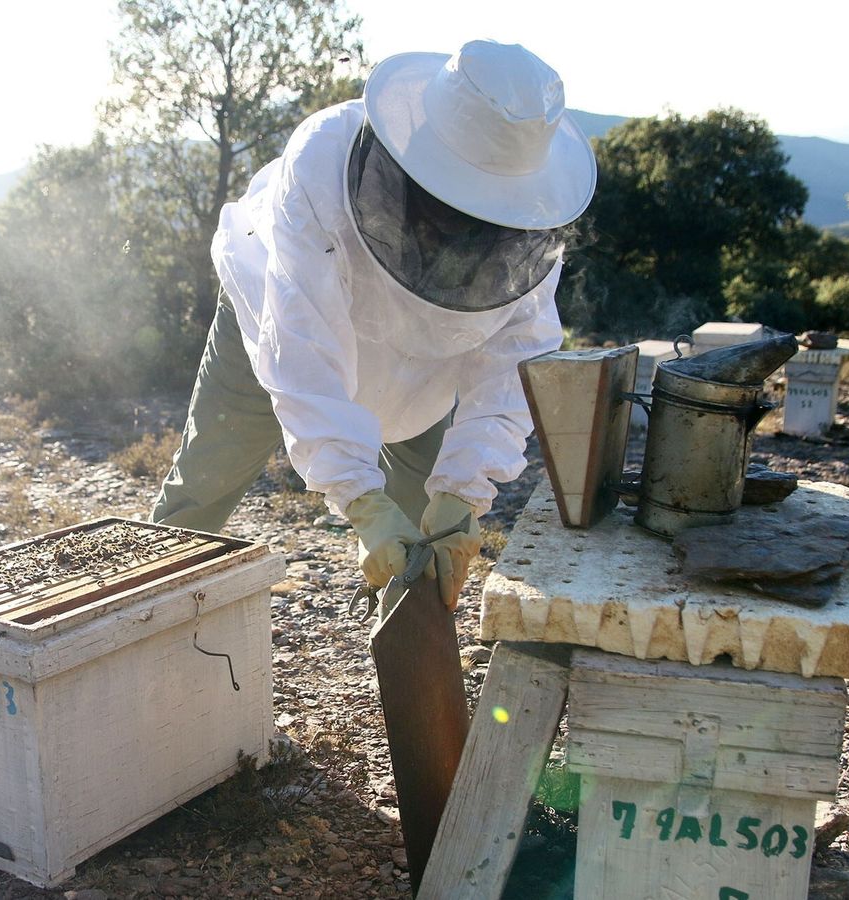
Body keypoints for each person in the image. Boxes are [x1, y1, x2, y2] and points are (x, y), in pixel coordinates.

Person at [151, 39, 597, 609]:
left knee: (426, 540)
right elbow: (302, 355)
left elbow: (513, 365)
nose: (460, 229)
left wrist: (464, 489)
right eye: (451, 208)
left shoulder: (530, 226)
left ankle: (408, 673)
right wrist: (361, 500)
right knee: (204, 486)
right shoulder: (320, 167)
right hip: (271, 324)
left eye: (483, 215)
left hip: (423, 374)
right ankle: (138, 625)